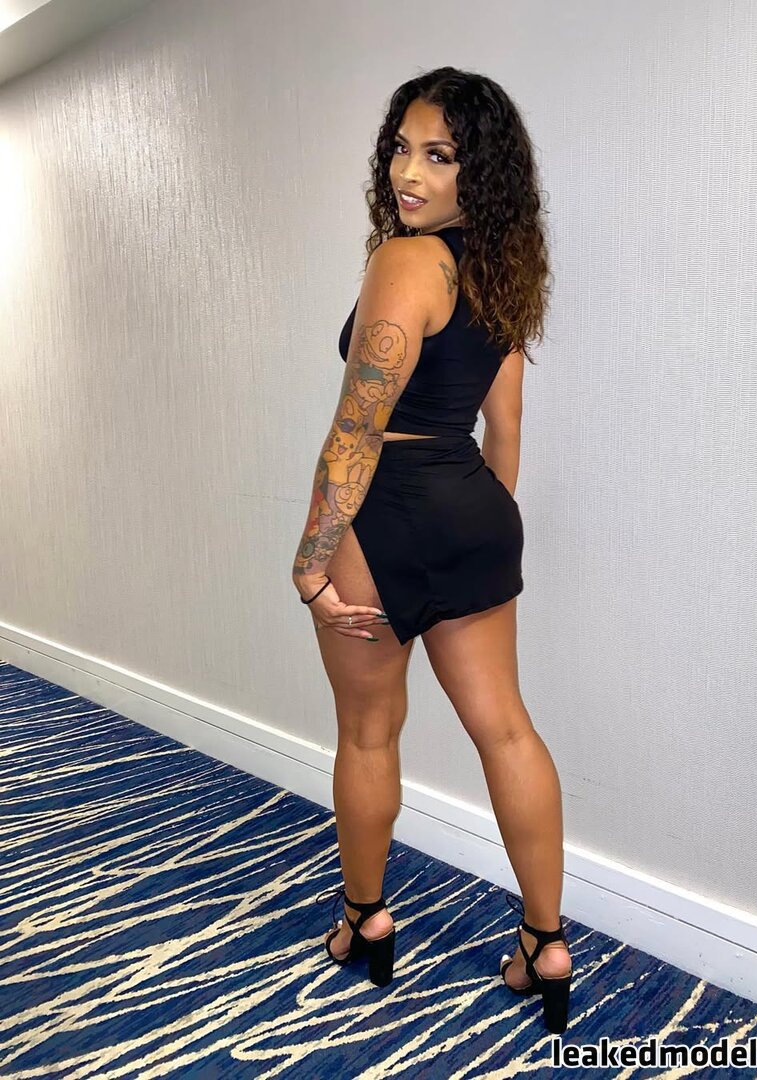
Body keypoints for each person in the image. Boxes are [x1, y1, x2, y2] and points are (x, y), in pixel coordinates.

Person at [292, 66, 572, 1034]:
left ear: (475, 171)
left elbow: (356, 430)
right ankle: (546, 945)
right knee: (508, 730)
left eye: (438, 155)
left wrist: (311, 562)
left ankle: (365, 922)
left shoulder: (404, 262)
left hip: (382, 511)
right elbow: (506, 429)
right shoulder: (500, 270)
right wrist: (476, 527)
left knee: (370, 732)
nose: (409, 174)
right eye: (402, 150)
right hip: (473, 505)